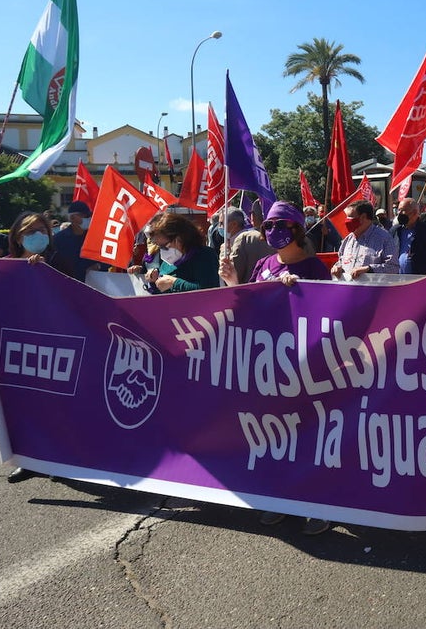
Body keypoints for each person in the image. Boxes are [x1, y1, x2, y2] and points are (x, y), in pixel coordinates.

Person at [220, 201, 333, 536]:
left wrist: (301, 294)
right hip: (268, 367)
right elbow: (245, 306)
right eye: (267, 226)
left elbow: (330, 317)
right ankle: (280, 499)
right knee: (274, 435)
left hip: (305, 367)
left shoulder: (315, 269)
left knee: (309, 436)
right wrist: (231, 282)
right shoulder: (264, 264)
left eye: (279, 225)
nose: (272, 232)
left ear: (296, 229)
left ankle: (319, 503)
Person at [143, 213, 221, 292]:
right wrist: (154, 281)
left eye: (164, 246)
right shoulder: (166, 263)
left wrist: (174, 283)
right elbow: (162, 294)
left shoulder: (204, 255)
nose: (162, 251)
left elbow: (208, 291)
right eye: (158, 246)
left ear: (179, 238)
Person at [331, 201, 398, 280]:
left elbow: (393, 267)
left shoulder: (384, 238)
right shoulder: (348, 240)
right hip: (348, 289)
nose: (346, 221)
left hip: (372, 290)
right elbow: (341, 262)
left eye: (350, 217)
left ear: (363, 217)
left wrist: (369, 269)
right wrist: (337, 268)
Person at [6, 212, 77, 277]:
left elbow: (69, 288)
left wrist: (46, 270)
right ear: (18, 238)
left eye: (42, 230)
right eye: (31, 231)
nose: (38, 234)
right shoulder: (6, 264)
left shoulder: (60, 263)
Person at [52, 200, 106, 282]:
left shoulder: (96, 238)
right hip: (67, 285)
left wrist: (99, 266)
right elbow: (53, 265)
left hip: (93, 286)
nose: (88, 218)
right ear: (72, 218)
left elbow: (107, 260)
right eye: (83, 216)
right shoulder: (58, 239)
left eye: (89, 215)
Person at [221, 207, 275, 285]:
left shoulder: (244, 239)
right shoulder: (259, 236)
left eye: (222, 223)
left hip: (247, 292)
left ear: (234, 224)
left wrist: (224, 253)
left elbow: (231, 275)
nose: (220, 227)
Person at [389, 197, 426, 275]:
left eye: (402, 210)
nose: (399, 213)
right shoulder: (395, 231)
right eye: (398, 210)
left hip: (419, 281)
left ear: (414, 212)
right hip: (397, 281)